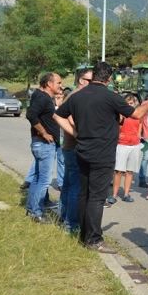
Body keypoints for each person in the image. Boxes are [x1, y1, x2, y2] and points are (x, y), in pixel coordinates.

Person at [54, 62, 148, 253]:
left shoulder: (78, 96)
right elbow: (136, 114)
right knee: (97, 197)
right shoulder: (111, 97)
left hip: (82, 151)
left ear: (93, 77)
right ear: (108, 78)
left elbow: (58, 116)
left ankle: (84, 235)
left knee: (85, 194)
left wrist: (75, 133)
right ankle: (93, 239)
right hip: (102, 154)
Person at [25, 72, 63, 223]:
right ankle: (37, 213)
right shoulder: (42, 97)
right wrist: (44, 133)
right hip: (44, 144)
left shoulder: (42, 96)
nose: (61, 85)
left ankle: (32, 208)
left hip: (40, 144)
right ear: (49, 84)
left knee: (37, 178)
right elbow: (31, 115)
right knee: (44, 180)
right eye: (58, 83)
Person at [59, 68, 93, 232]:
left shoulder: (73, 95)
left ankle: (63, 217)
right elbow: (68, 117)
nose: (92, 84)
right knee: (75, 187)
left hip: (69, 147)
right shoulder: (76, 96)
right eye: (90, 80)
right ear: (81, 80)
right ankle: (71, 224)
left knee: (68, 185)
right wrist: (80, 133)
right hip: (73, 147)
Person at [106, 94, 142, 206]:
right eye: (127, 103)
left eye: (131, 103)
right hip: (122, 144)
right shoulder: (121, 114)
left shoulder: (138, 115)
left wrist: (138, 138)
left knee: (130, 171)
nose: (129, 105)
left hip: (134, 144)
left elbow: (139, 130)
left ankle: (126, 194)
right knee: (118, 171)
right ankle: (114, 195)